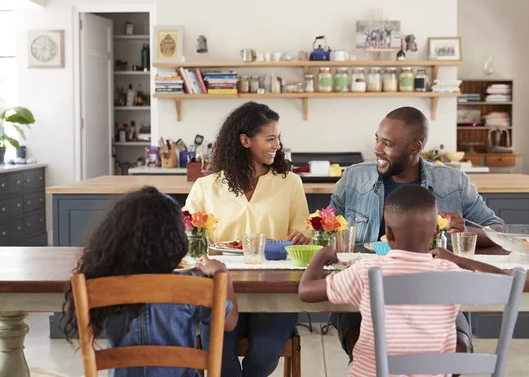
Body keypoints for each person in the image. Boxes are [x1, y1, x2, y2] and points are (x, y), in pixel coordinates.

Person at [328, 106, 506, 361]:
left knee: (459, 350)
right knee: (368, 351)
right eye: (377, 139)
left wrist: (466, 231)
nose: (377, 149)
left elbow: (499, 230)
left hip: (435, 291)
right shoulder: (353, 178)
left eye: (387, 143)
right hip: (365, 291)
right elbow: (326, 227)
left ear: (415, 147)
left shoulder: (453, 181)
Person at [299, 185, 505, 377]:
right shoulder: (449, 271)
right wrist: (454, 258)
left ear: (387, 234)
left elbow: (306, 292)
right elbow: (504, 280)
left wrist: (321, 255)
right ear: (436, 231)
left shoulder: (366, 271)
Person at [183, 101, 309, 377]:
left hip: (274, 289)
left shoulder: (290, 183)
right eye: (270, 138)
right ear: (245, 140)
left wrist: (303, 237)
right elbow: (189, 234)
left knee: (263, 357)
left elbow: (304, 232)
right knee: (219, 358)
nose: (277, 144)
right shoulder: (207, 186)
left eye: (278, 138)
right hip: (221, 289)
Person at [62, 186, 238, 377]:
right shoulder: (191, 286)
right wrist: (223, 274)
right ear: (174, 239)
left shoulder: (101, 284)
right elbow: (229, 323)